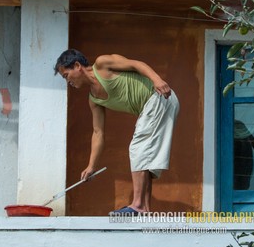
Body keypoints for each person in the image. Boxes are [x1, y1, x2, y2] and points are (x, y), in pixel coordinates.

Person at [54, 49, 179, 216]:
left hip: (158, 97)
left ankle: (138, 205)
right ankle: (145, 209)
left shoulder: (102, 64)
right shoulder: (94, 100)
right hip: (153, 106)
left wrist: (157, 80)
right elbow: (98, 133)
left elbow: (136, 64)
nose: (67, 81)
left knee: (138, 148)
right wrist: (91, 166)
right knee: (145, 156)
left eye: (66, 75)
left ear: (77, 66)